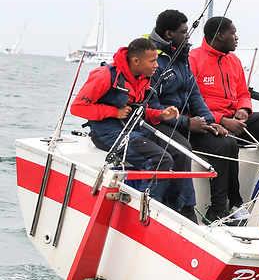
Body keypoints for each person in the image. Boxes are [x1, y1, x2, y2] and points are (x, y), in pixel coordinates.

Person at [70, 37, 198, 222]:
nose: (156, 65)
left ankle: (179, 208)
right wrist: (113, 112)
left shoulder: (142, 78)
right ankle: (147, 212)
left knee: (179, 151)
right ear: (136, 61)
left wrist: (161, 115)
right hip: (107, 133)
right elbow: (77, 107)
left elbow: (139, 110)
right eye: (152, 61)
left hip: (132, 128)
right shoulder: (105, 76)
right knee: (160, 160)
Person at [148, 9, 242, 222]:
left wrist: (210, 121)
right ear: (169, 34)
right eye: (184, 31)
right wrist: (186, 123)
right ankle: (184, 209)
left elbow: (195, 95)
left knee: (226, 143)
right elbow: (152, 106)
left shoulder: (181, 57)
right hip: (163, 122)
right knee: (183, 151)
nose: (188, 36)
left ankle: (218, 209)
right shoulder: (153, 60)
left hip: (187, 122)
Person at [189, 16, 259, 174]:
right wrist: (222, 120)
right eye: (233, 33)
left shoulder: (234, 60)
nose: (236, 37)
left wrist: (243, 109)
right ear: (220, 35)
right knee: (227, 143)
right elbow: (191, 103)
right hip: (212, 123)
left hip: (236, 120)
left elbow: (243, 93)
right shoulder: (193, 59)